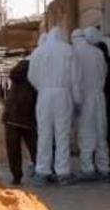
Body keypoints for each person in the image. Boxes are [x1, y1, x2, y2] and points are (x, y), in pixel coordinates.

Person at [28, 26, 80, 186]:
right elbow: (75, 78)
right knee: (62, 133)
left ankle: (42, 171)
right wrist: (77, 99)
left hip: (44, 95)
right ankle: (62, 172)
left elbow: (31, 77)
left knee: (44, 133)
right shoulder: (69, 50)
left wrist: (43, 88)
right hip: (63, 95)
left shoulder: (38, 52)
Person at [73, 27, 110, 181]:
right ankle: (104, 169)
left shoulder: (74, 53)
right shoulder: (98, 53)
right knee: (101, 133)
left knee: (86, 135)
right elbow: (104, 73)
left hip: (84, 98)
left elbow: (75, 79)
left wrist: (76, 101)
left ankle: (87, 169)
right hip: (99, 97)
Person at [1, 58, 37, 186]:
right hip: (27, 119)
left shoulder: (16, 78)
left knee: (14, 151)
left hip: (11, 118)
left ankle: (17, 177)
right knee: (35, 147)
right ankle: (41, 171)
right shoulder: (33, 77)